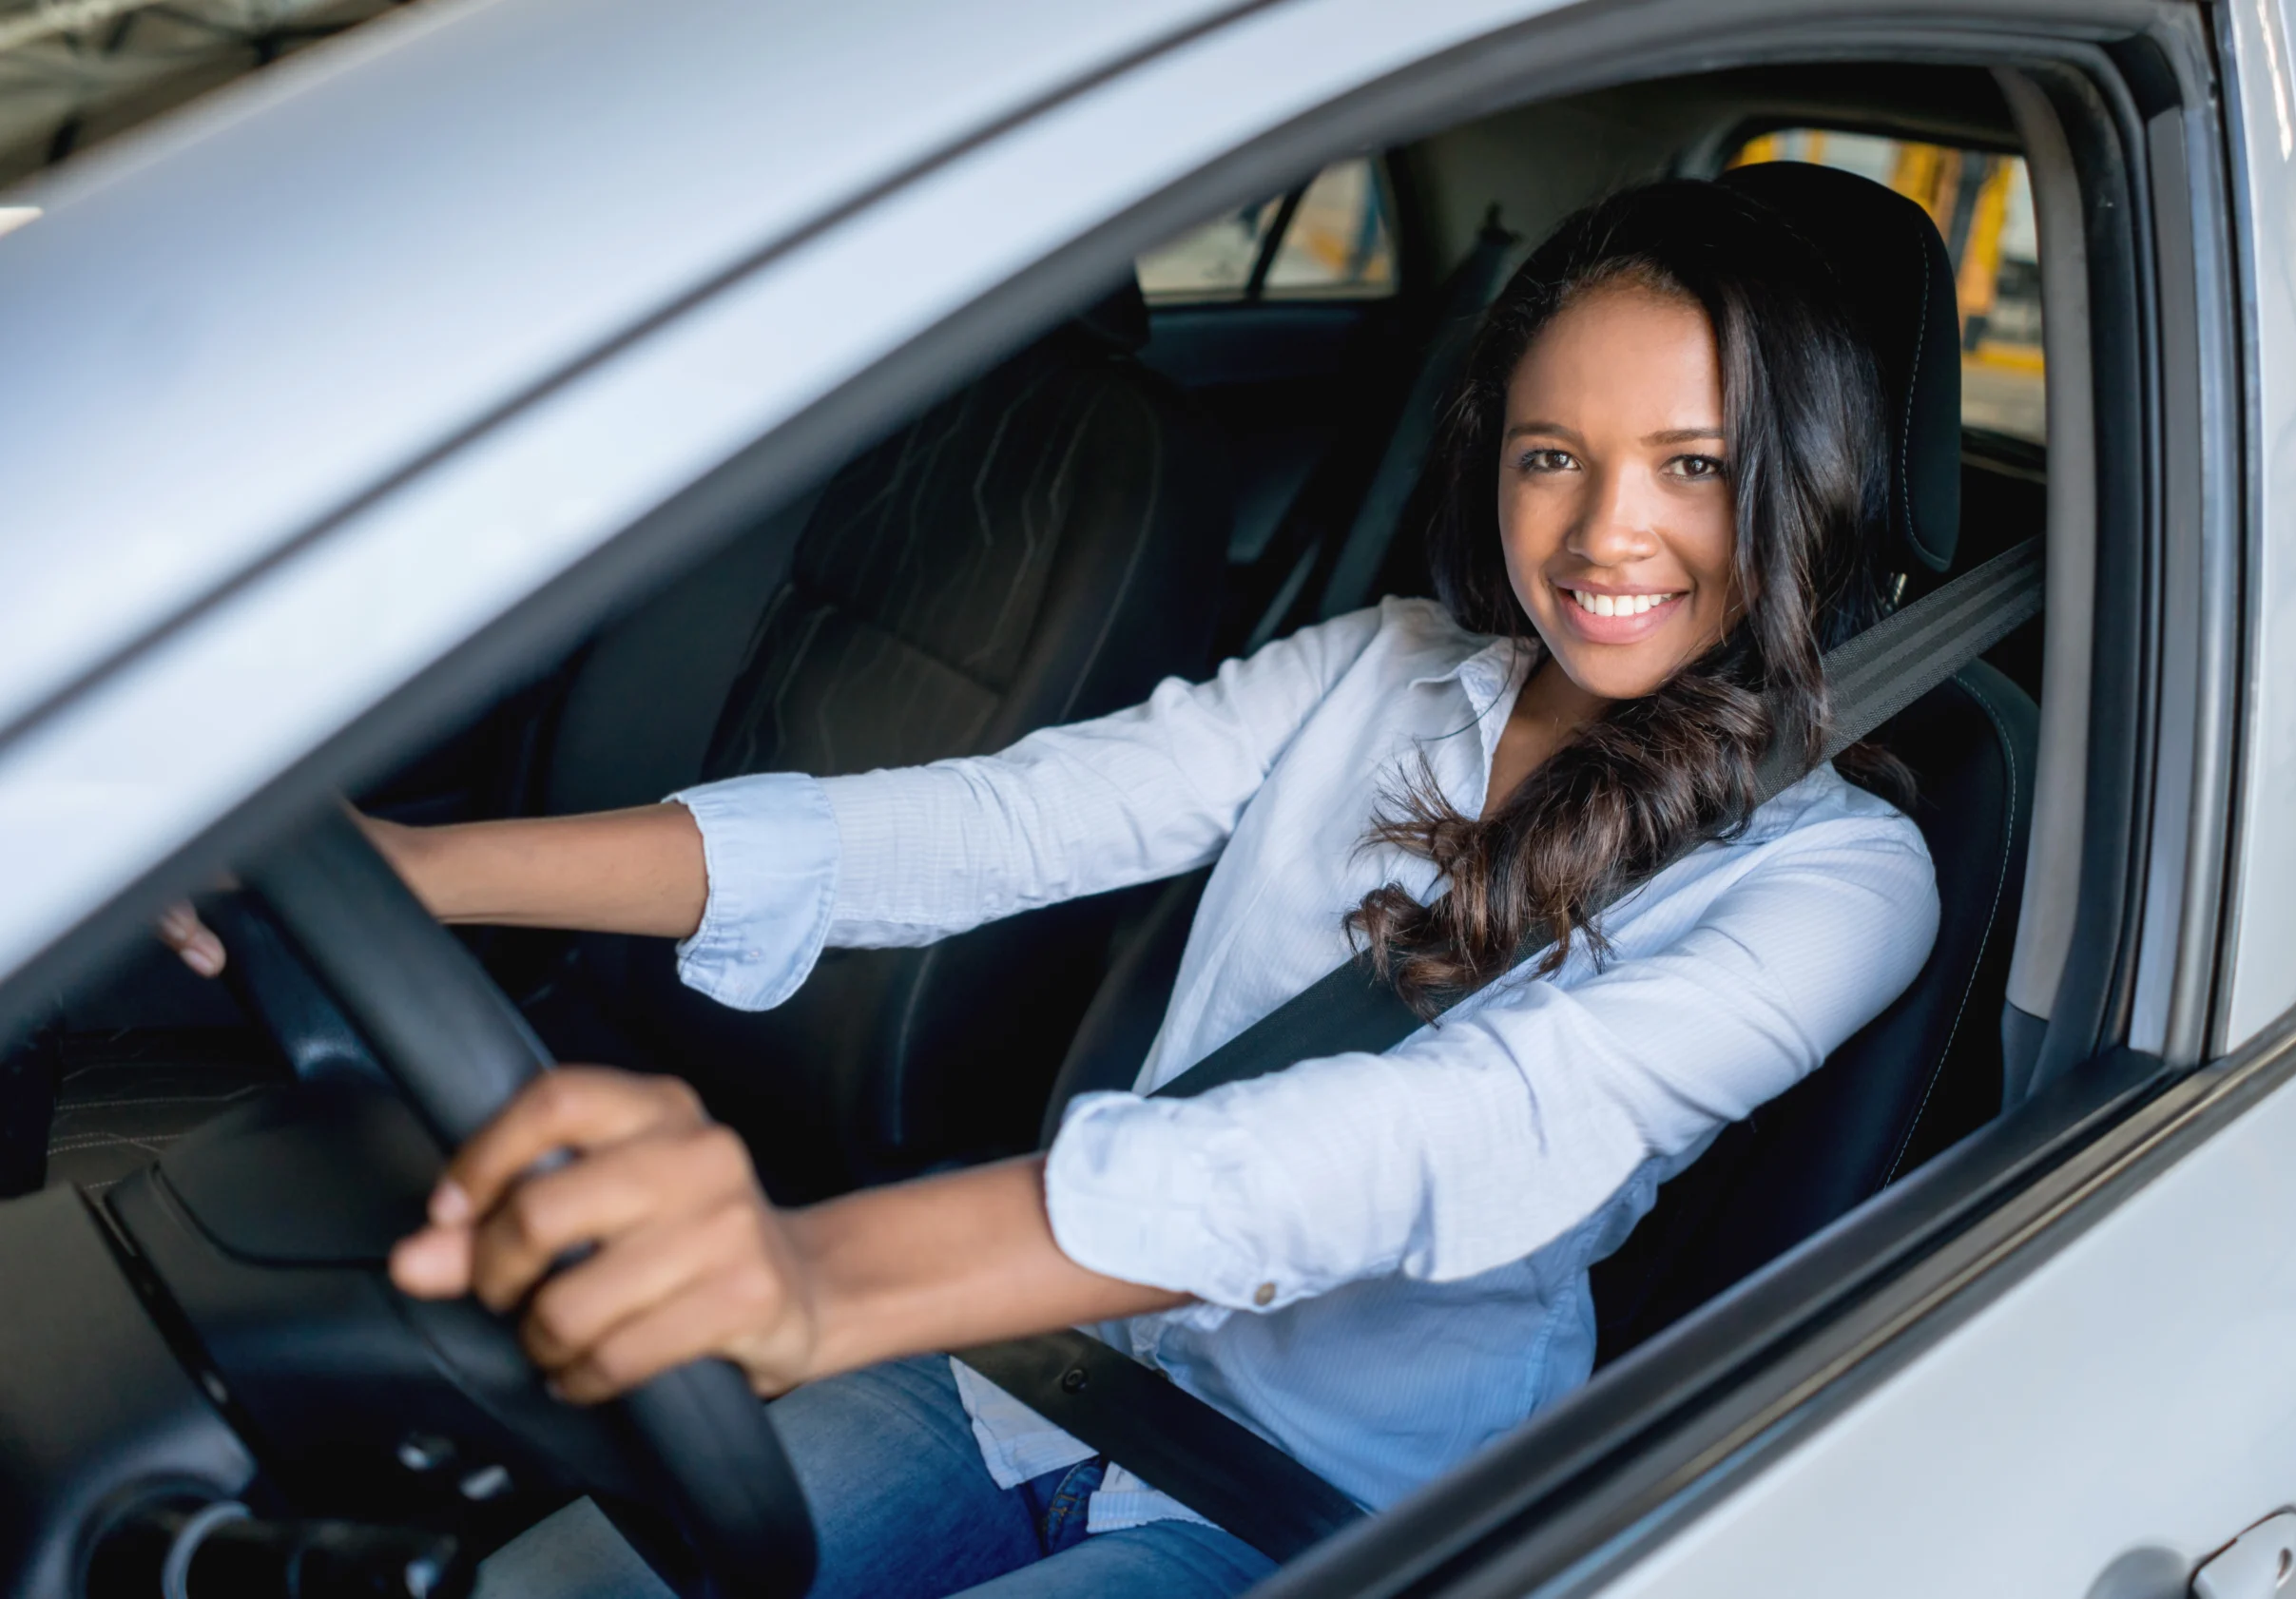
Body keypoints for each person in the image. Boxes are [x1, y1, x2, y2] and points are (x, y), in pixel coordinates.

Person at [164, 179, 1940, 1599]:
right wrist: (421, 873)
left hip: (1327, 1501)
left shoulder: (1848, 878)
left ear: (1803, 477)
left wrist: (818, 1270)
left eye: (1691, 466)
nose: (1601, 534)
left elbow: (1431, 1147)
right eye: (1552, 453)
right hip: (1034, 1370)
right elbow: (991, 825)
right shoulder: (1383, 666)